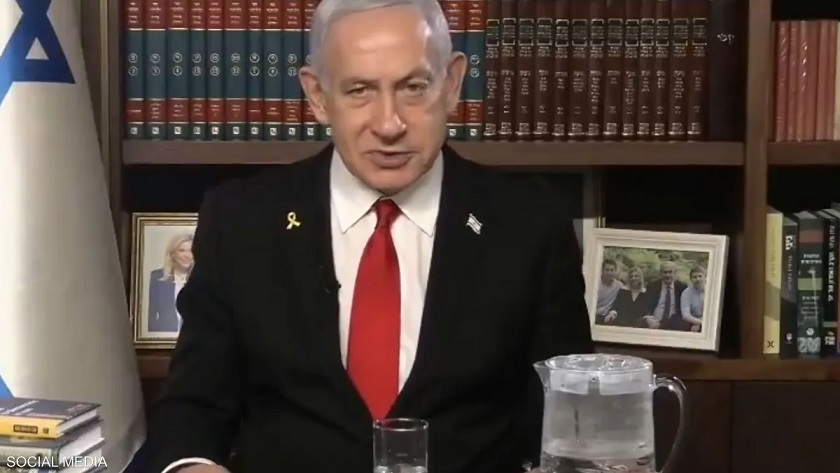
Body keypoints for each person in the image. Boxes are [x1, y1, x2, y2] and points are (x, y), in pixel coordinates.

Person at [143, 1, 593, 472]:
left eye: (413, 88)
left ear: (452, 84)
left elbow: (567, 421)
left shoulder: (530, 225)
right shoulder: (241, 221)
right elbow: (193, 408)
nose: (389, 125)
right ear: (318, 96)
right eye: (360, 90)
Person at [146, 233, 194, 333]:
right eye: (182, 250)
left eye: (191, 251)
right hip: (164, 335)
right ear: (172, 254)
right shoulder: (157, 277)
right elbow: (150, 314)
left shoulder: (202, 279)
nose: (187, 255)